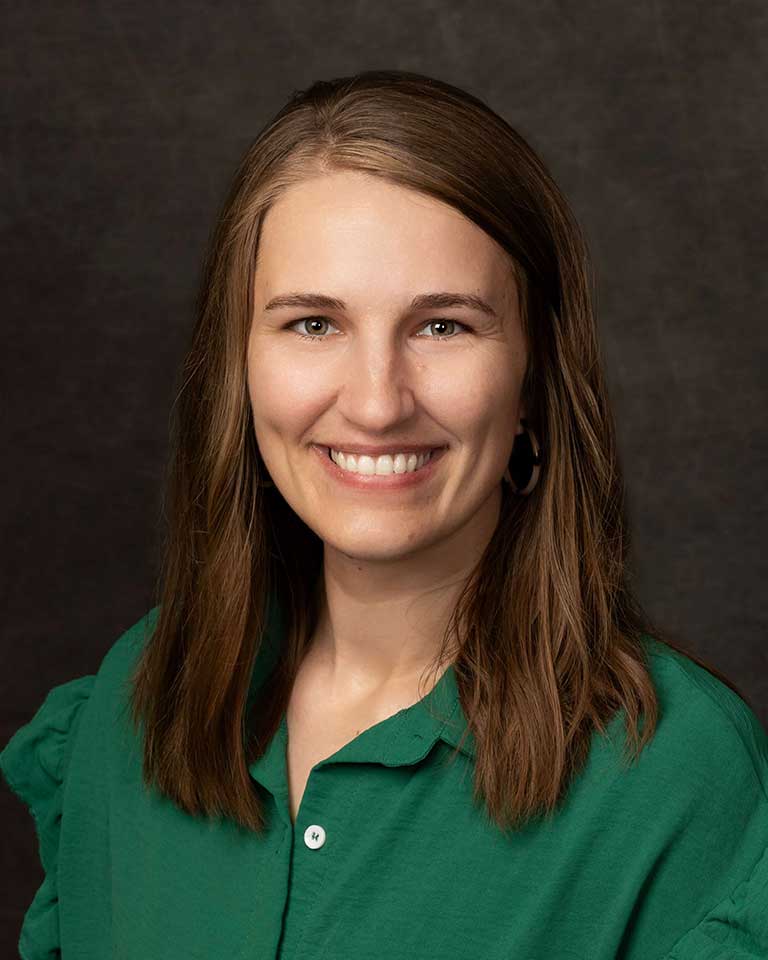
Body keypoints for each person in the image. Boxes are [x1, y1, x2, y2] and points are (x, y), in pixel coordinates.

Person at [2, 68, 767, 960]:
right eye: (313, 324)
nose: (375, 403)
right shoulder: (138, 700)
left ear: (534, 376)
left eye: (443, 325)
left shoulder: (677, 777)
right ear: (239, 366)